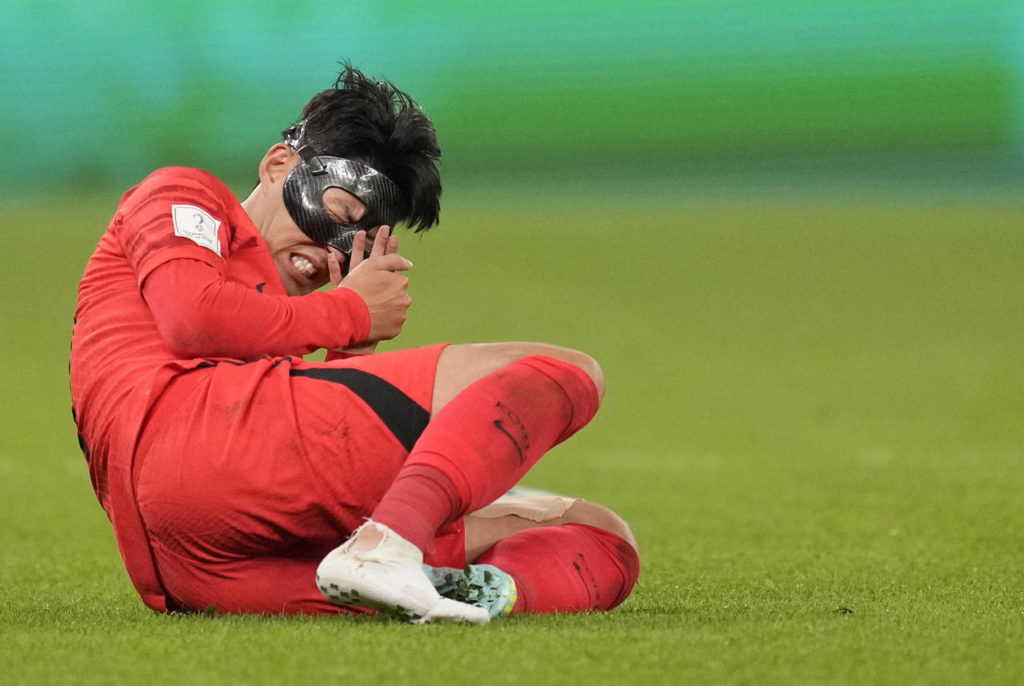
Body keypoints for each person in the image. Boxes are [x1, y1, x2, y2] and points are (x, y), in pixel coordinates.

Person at [70, 65, 639, 623]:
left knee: (599, 535)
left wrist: (351, 354)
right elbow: (193, 319)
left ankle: (458, 591)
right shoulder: (185, 194)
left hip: (198, 568)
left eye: (355, 239)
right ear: (279, 164)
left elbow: (273, 419)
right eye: (339, 211)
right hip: (185, 450)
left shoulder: (276, 327)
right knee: (563, 370)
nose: (332, 251)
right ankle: (388, 547)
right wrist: (351, 312)